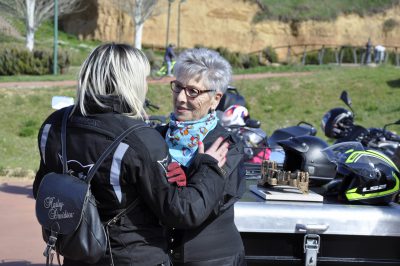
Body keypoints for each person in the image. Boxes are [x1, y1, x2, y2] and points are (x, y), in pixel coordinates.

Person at [33, 43, 231, 266]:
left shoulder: (54, 124)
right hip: (132, 255)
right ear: (131, 81)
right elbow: (180, 211)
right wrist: (209, 168)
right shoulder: (140, 138)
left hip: (77, 251)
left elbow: (42, 187)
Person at [157, 48, 247, 266]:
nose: (180, 98)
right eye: (178, 87)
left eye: (193, 92)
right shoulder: (156, 136)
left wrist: (194, 169)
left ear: (215, 99)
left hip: (214, 260)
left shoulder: (227, 145)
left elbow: (206, 204)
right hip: (161, 256)